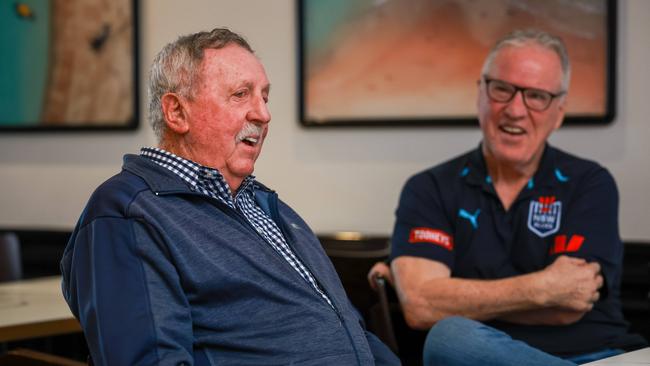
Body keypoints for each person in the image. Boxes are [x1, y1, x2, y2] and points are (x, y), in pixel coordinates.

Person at [60, 28, 399, 366]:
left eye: (264, 97)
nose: (263, 114)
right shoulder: (126, 212)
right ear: (177, 113)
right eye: (240, 94)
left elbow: (350, 329)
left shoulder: (270, 208)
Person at [369, 29, 647, 365]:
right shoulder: (429, 189)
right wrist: (542, 287)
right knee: (451, 338)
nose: (515, 110)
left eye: (536, 96)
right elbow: (421, 306)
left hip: (593, 355)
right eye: (502, 89)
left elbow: (570, 304)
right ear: (481, 94)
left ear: (558, 111)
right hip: (480, 357)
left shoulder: (589, 183)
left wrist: (455, 296)